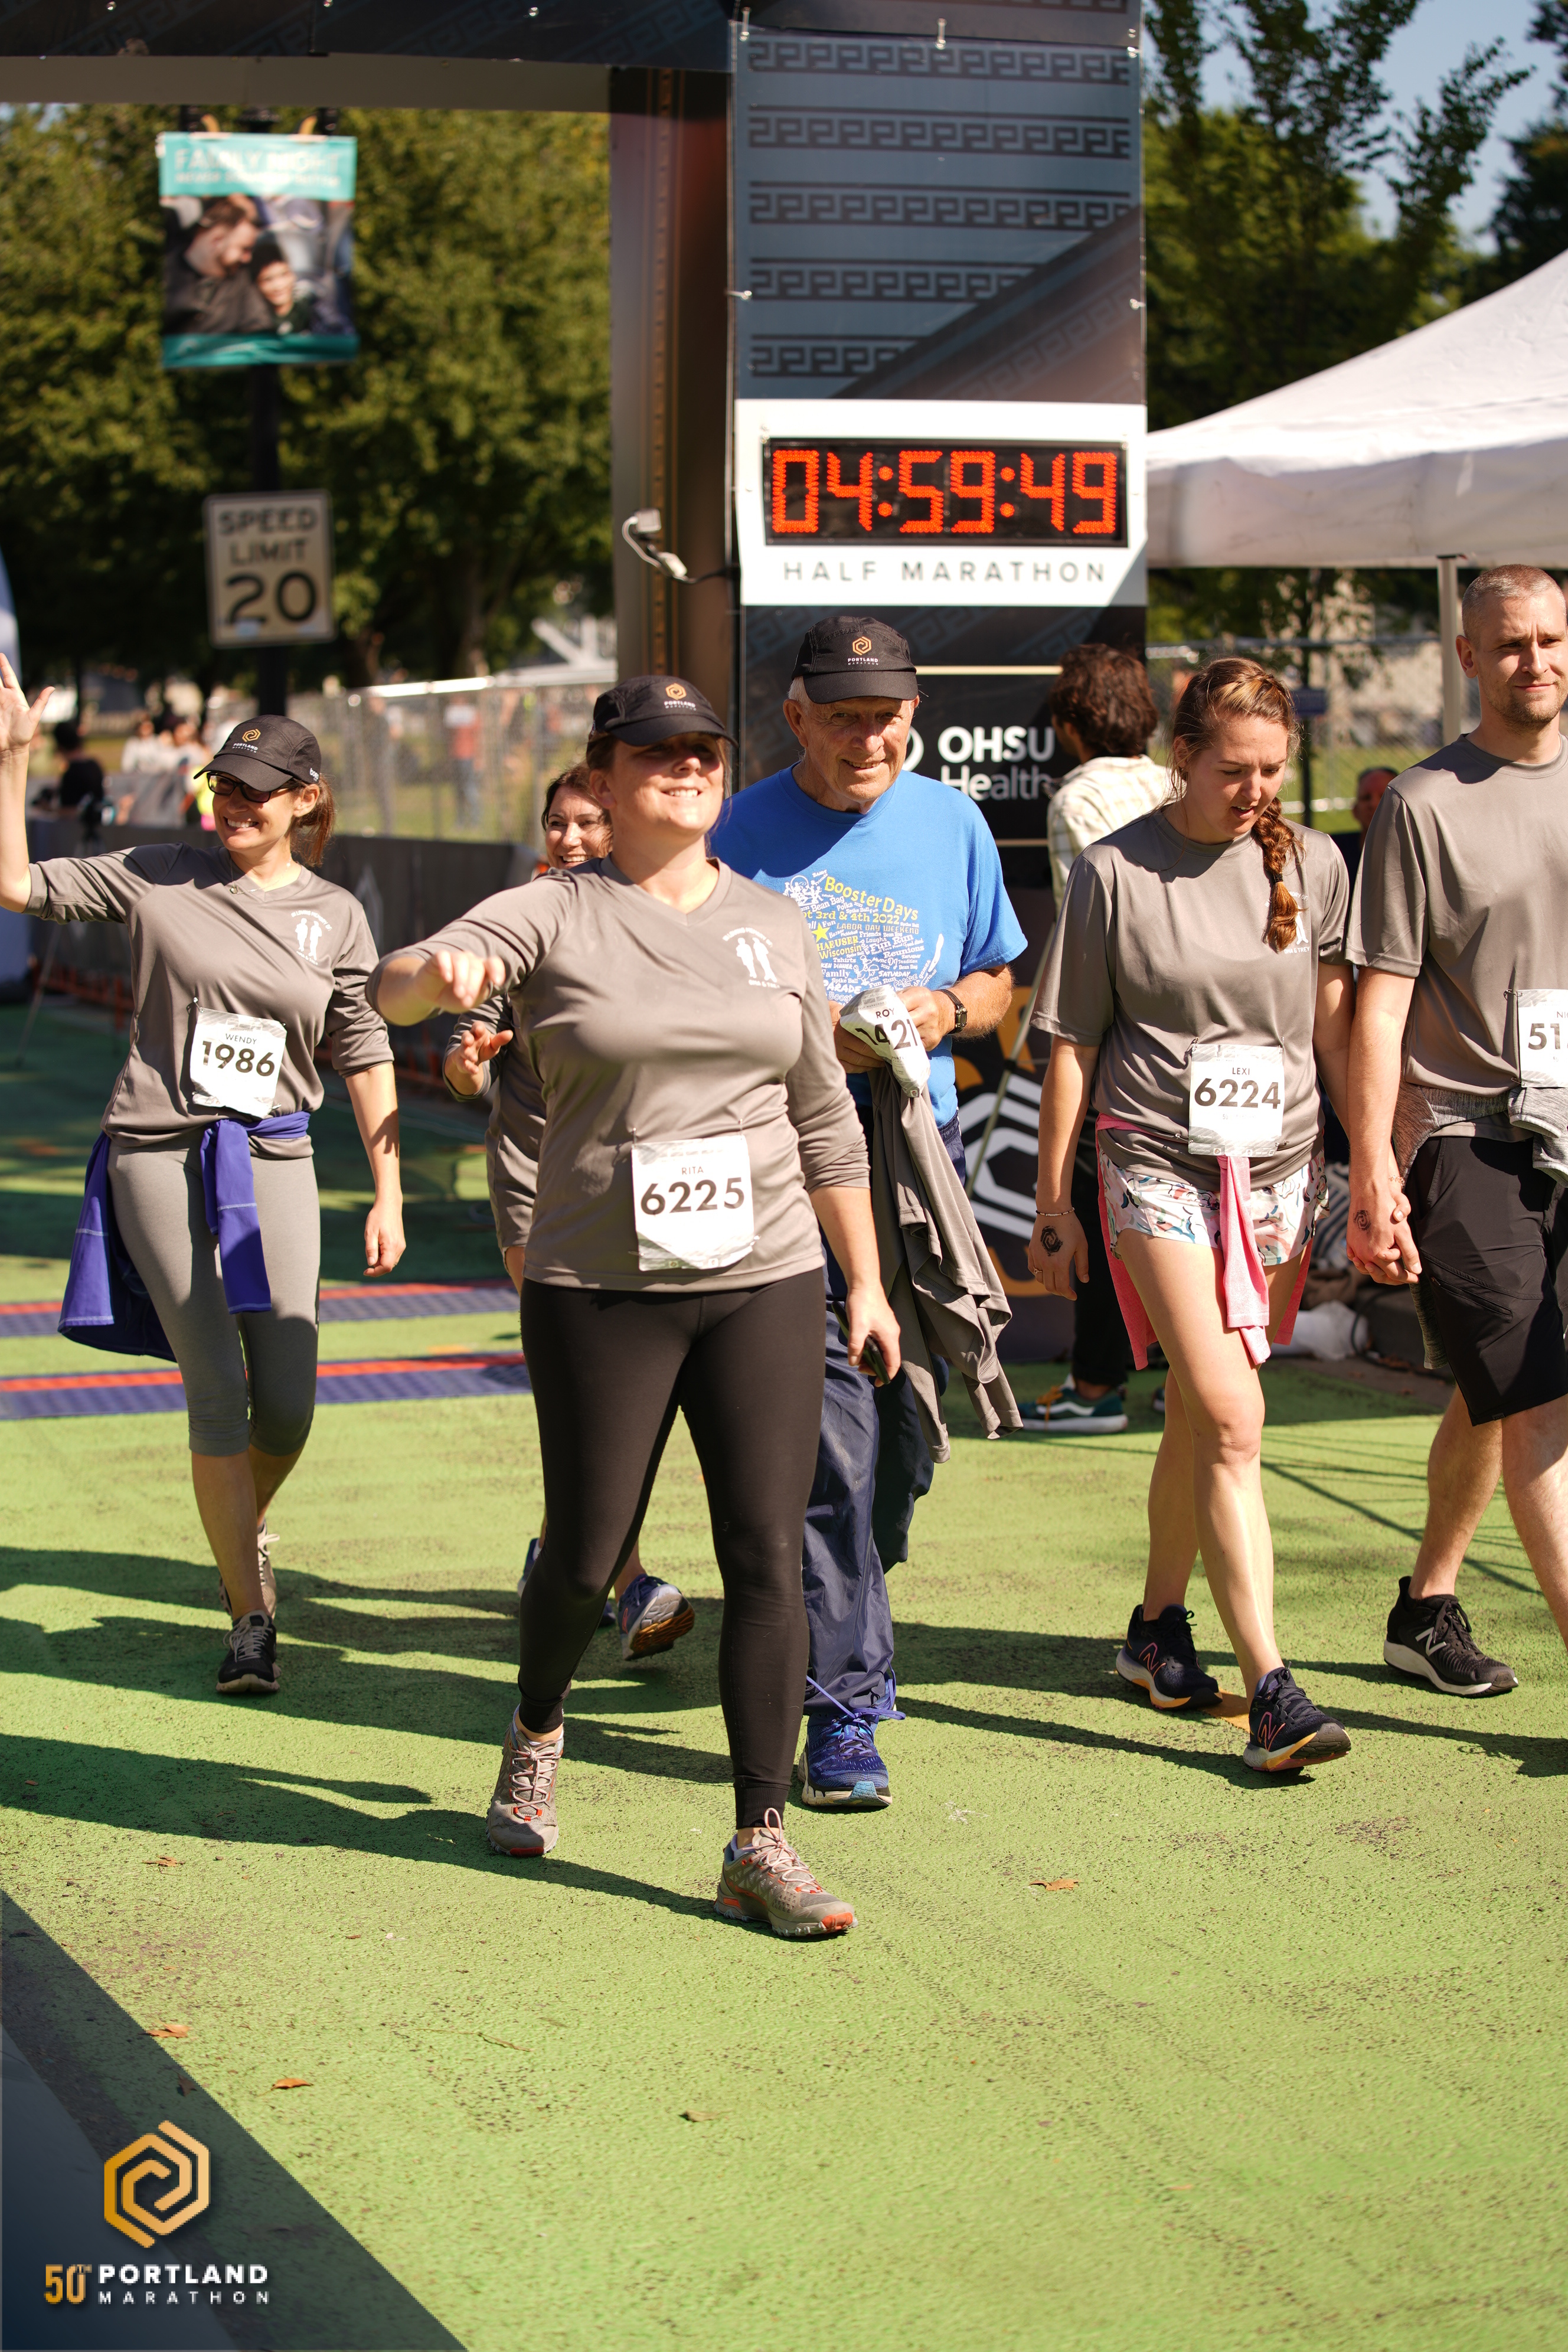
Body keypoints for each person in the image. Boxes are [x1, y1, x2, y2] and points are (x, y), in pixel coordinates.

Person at [371, 674, 901, 1938]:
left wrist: (867, 1279)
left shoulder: (773, 924)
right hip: (600, 1281)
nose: (686, 765)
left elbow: (823, 1116)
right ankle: (536, 1725)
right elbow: (395, 986)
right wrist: (431, 974)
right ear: (603, 780)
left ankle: (758, 1839)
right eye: (656, 750)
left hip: (766, 1273)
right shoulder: (554, 908)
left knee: (765, 1551)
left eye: (703, 749)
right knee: (585, 1550)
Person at [0, 682, 405, 1700]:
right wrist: (12, 756)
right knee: (217, 1391)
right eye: (224, 784)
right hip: (157, 1152)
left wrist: (389, 1189)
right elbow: (13, 884)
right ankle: (249, 1616)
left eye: (257, 790)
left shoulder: (336, 915)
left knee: (290, 1404)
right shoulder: (157, 873)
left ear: (306, 799)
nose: (234, 803)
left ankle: (238, 1524)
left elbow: (363, 1048)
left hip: (273, 1154)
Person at [712, 616, 1025, 1810]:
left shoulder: (951, 823)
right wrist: (811, 1040)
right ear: (795, 717)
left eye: (883, 717)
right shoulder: (736, 833)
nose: (864, 739)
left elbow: (999, 983)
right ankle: (843, 1705)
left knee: (901, 1438)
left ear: (913, 715)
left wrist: (944, 1010)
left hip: (914, 1163)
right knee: (829, 1444)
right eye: (840, 717)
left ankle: (846, 1588)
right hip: (784, 1164)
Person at [1028, 655, 1354, 1772]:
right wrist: (1054, 1199)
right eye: (1234, 769)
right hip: (1153, 1161)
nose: (1256, 789)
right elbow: (1072, 1045)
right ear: (1182, 758)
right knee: (1231, 1413)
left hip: (1280, 1170)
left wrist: (1377, 1163)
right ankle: (1272, 1686)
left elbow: (1335, 1025)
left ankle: (1156, 1626)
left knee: (1199, 1418)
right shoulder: (1113, 871)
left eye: (1272, 769)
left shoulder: (1315, 862)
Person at [1348, 563, 1568, 1698]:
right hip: (1465, 1130)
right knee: (1534, 1397)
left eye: (1551, 639)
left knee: (1494, 1387)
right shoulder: (1422, 802)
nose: (1536, 661)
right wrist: (1372, 1166)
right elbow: (1378, 1002)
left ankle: (1424, 1607)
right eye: (1511, 643)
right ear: (1469, 656)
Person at [443, 764, 696, 1665]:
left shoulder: (664, 909)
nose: (573, 837)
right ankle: (631, 1586)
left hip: (643, 1178)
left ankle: (558, 1561)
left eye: (591, 821)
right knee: (590, 1383)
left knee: (626, 1387)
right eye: (559, 822)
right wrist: (469, 1062)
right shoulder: (518, 914)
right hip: (539, 1181)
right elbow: (462, 1053)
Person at [1026, 641, 1171, 1436]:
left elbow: (1087, 927)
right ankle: (1182, 1374)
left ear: (1071, 722)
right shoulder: (1177, 781)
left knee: (1101, 1205)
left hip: (1115, 1034)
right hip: (1193, 1026)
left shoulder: (1078, 797)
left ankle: (1096, 1385)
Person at [164, 195, 274, 339]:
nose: (248, 258)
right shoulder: (166, 276)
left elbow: (260, 328)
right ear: (216, 241)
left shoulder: (241, 282)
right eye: (244, 249)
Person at [1334, 765, 1397, 895]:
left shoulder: (1417, 854)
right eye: (1366, 798)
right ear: (1355, 810)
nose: (1373, 804)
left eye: (1383, 797)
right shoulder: (1336, 853)